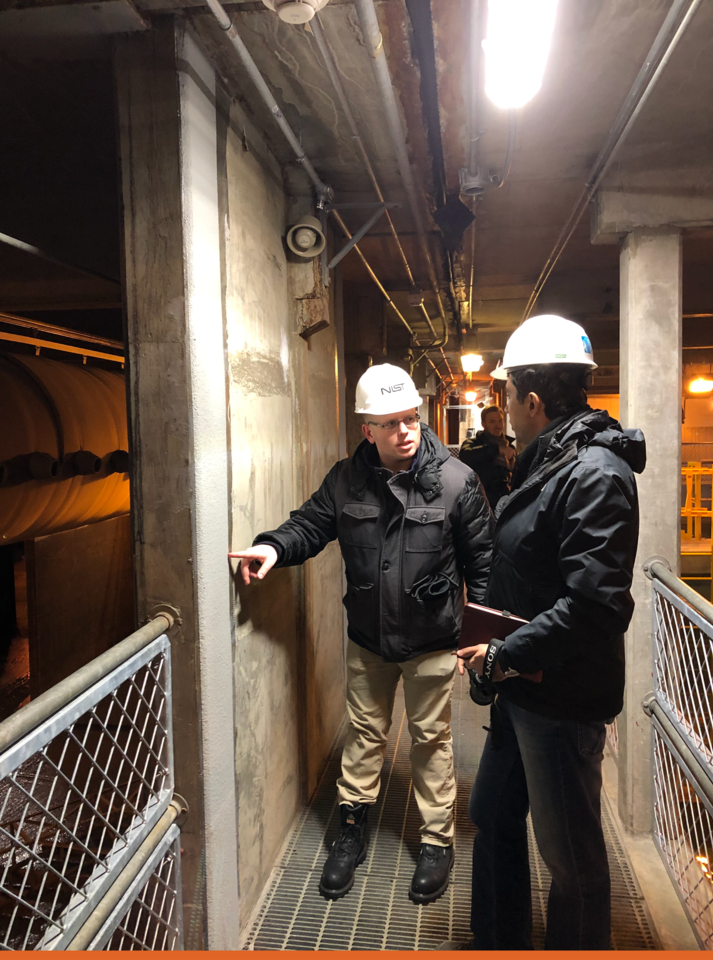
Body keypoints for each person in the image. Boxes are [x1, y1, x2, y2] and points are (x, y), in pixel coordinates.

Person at [230, 363, 492, 905]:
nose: (406, 431)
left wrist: (479, 637)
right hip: (369, 639)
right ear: (366, 429)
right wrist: (272, 548)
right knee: (365, 736)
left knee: (431, 741)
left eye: (411, 419)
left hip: (432, 641)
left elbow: (483, 565)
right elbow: (310, 524)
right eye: (391, 423)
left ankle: (437, 840)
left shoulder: (455, 482)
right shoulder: (345, 480)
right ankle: (351, 830)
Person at [453, 315, 645, 950]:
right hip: (524, 687)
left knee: (573, 865)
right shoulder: (555, 460)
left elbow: (594, 605)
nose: (504, 409)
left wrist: (504, 652)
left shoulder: (594, 474)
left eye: (508, 396)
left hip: (559, 699)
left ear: (532, 401)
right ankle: (500, 939)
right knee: (493, 814)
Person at [459, 406, 516, 508]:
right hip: (479, 501)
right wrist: (496, 449)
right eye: (492, 422)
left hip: (504, 501)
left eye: (500, 421)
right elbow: (466, 455)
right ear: (483, 424)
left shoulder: (509, 446)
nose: (497, 425)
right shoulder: (473, 442)